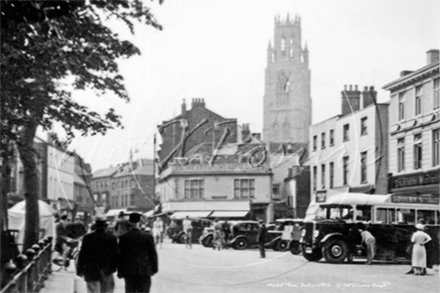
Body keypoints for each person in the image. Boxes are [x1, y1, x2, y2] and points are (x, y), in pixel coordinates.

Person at [76, 217, 119, 293]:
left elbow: (82, 254)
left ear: (95, 226)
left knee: (93, 290)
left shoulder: (87, 238)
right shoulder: (112, 238)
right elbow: (116, 254)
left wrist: (79, 269)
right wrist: (115, 267)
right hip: (107, 270)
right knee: (107, 290)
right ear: (105, 226)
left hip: (91, 270)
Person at [118, 213, 158, 293]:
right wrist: (154, 269)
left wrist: (120, 271)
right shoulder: (147, 236)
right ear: (140, 222)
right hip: (144, 270)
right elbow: (153, 254)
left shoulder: (123, 238)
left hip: (129, 271)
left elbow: (120, 256)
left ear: (129, 222)